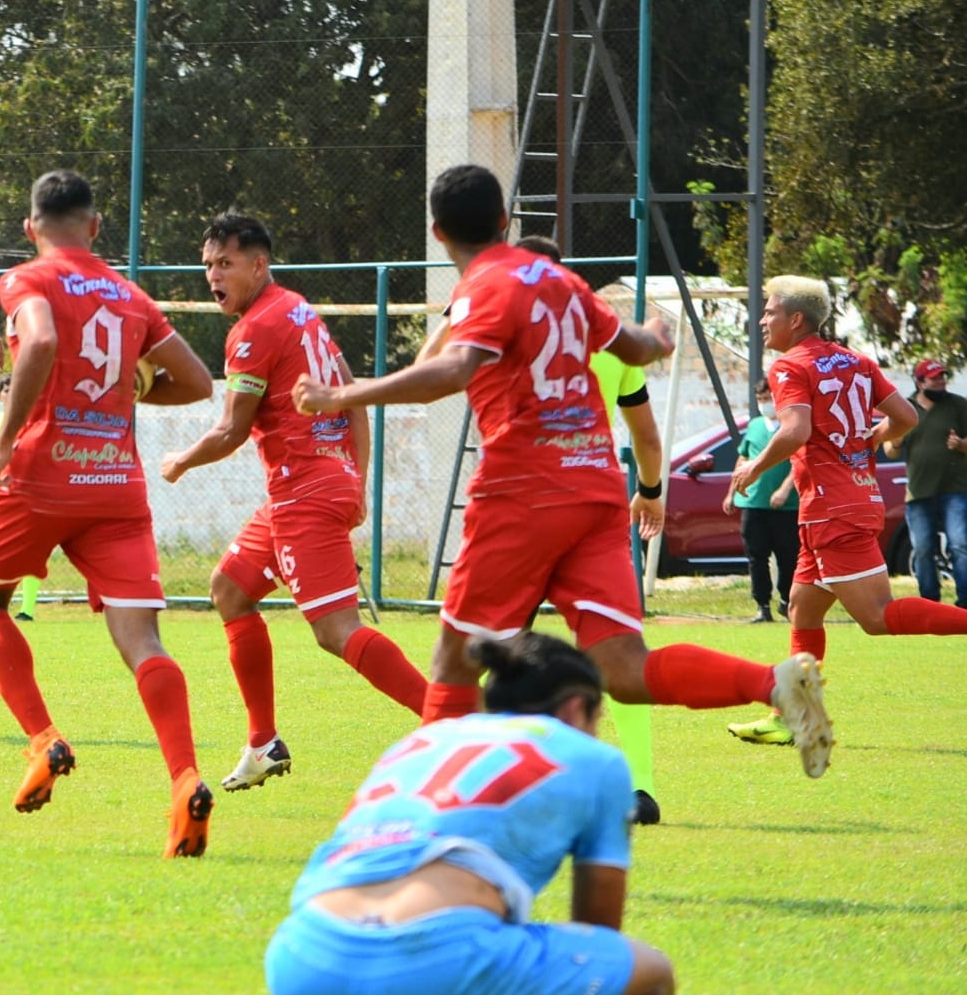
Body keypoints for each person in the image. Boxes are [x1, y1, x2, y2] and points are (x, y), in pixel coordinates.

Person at [293, 163, 833, 779]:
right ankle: (774, 682)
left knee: (454, 661)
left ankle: (426, 815)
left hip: (522, 494)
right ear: (503, 220)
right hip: (596, 490)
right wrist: (657, 338)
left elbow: (451, 370)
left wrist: (344, 395)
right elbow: (633, 347)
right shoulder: (561, 281)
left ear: (438, 232)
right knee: (624, 669)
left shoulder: (484, 287)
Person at [0, 169, 217, 857]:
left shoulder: (27, 279)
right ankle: (184, 778)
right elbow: (196, 381)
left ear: (30, 226)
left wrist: (9, 436)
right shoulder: (130, 295)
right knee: (144, 641)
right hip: (117, 485)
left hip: (44, 476)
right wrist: (128, 392)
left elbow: (40, 343)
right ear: (96, 226)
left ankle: (44, 740)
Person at [161, 213, 428, 792]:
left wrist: (180, 460)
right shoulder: (301, 310)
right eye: (208, 264)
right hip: (308, 487)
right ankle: (262, 743)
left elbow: (232, 430)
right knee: (230, 588)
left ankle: (454, 721)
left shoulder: (255, 329)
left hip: (304, 492)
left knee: (336, 631)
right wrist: (355, 476)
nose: (213, 275)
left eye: (225, 263)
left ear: (259, 265)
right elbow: (352, 398)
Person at [264, 630, 676, 995]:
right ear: (573, 709)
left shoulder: (421, 742)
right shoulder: (595, 759)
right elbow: (598, 931)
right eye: (596, 716)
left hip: (302, 951)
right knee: (651, 973)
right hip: (440, 955)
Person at [419, 232, 664, 825]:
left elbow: (431, 370)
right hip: (592, 497)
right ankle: (640, 784)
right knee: (616, 653)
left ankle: (470, 782)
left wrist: (459, 310)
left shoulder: (499, 319)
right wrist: (651, 491)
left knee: (479, 656)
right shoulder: (597, 333)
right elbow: (647, 437)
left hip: (521, 501)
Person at [727, 277, 967, 742]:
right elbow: (908, 418)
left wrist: (754, 468)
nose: (762, 319)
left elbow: (795, 431)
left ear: (795, 320)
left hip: (830, 508)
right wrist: (875, 437)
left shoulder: (788, 366)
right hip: (854, 499)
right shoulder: (855, 360)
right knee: (802, 609)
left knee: (877, 619)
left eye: (770, 311)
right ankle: (793, 718)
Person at [881, 359, 967, 606]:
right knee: (922, 549)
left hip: (957, 491)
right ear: (919, 382)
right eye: (934, 378)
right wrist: (896, 441)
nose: (940, 381)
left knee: (960, 545)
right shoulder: (904, 408)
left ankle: (964, 605)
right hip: (918, 493)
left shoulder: (958, 405)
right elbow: (890, 451)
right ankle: (930, 603)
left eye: (942, 377)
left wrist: (961, 445)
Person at [722, 378, 799, 625]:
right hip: (754, 504)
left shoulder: (792, 426)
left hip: (786, 506)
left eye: (769, 398)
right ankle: (762, 605)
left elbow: (801, 462)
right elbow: (743, 458)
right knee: (756, 555)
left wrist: (785, 490)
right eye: (761, 400)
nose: (765, 404)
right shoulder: (754, 426)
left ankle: (787, 600)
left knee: (788, 555)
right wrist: (732, 491)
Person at [0, 372, 40, 621]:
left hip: (28, 491)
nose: (10, 394)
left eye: (16, 389)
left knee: (30, 550)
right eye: (6, 390)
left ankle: (27, 609)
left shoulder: (33, 419)